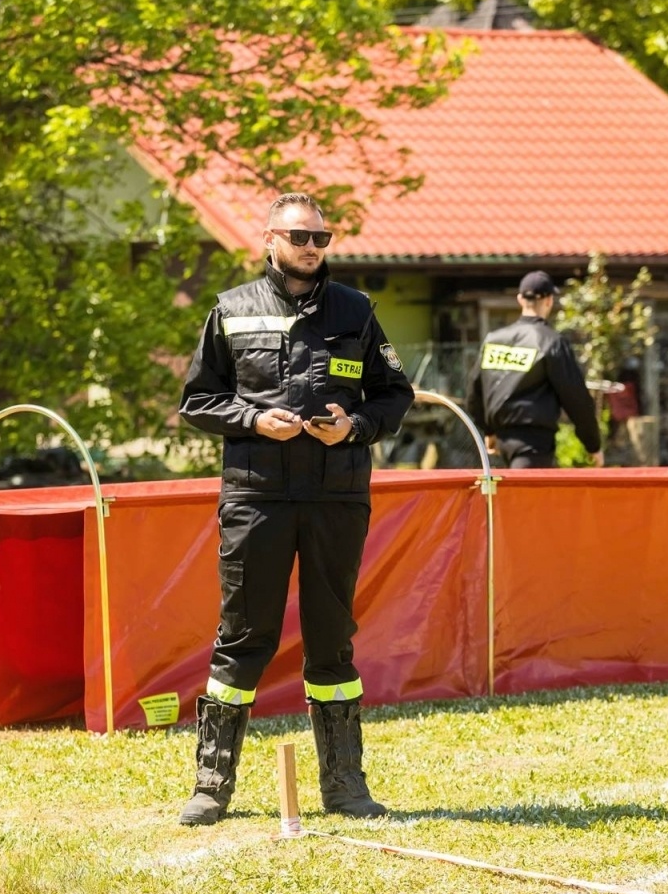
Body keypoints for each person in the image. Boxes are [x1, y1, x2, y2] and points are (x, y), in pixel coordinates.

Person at [177, 192, 414, 826]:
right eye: (300, 237)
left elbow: (395, 394)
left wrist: (356, 425)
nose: (312, 248)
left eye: (322, 238)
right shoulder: (231, 309)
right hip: (256, 498)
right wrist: (256, 419)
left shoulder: (356, 311)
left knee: (332, 640)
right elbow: (198, 401)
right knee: (245, 636)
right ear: (270, 240)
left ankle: (344, 785)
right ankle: (212, 785)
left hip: (336, 497)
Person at [464, 271, 603, 468]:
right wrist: (593, 445)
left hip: (500, 445)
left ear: (520, 299)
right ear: (549, 301)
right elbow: (576, 398)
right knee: (527, 499)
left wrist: (489, 430)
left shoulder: (493, 340)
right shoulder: (551, 342)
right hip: (534, 447)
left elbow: (473, 394)